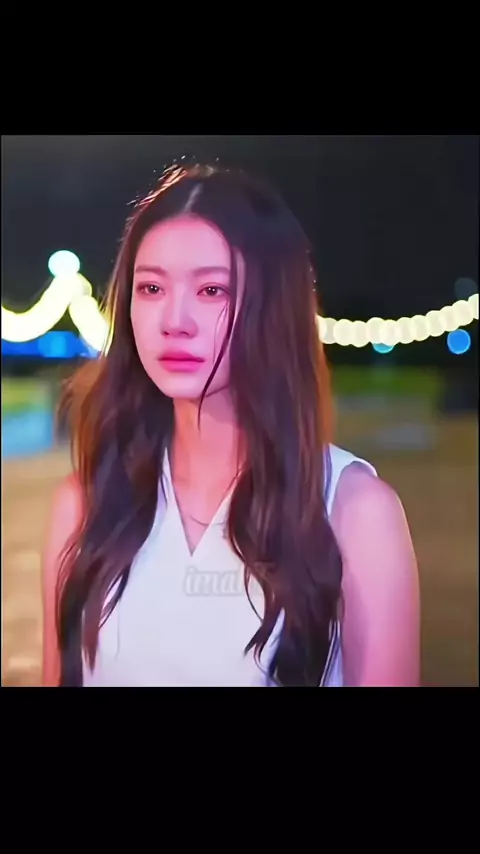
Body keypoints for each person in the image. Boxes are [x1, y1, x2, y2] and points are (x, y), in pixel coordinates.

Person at [42, 163, 420, 687]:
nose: (175, 320)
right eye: (150, 288)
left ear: (274, 307)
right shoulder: (85, 507)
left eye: (211, 291)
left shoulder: (353, 511)